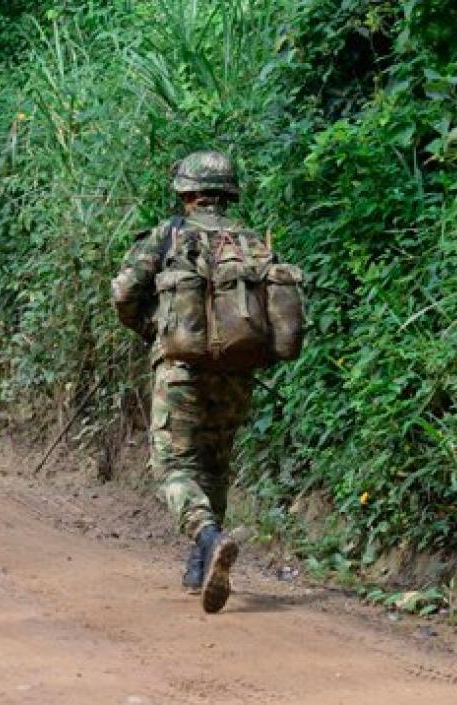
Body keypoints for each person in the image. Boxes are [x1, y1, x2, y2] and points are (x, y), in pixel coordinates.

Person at [112, 151, 263, 614]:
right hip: (236, 371)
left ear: (187, 192)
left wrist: (149, 330)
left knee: (174, 467)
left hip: (180, 368)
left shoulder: (169, 234)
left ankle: (208, 537)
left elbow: (123, 292)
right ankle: (200, 566)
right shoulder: (249, 240)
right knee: (215, 465)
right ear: (227, 192)